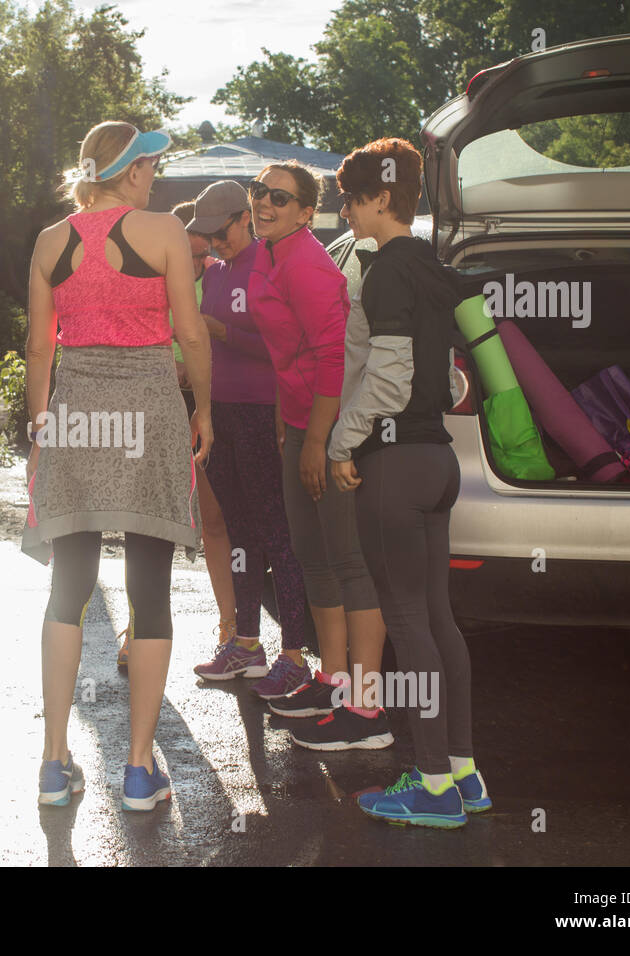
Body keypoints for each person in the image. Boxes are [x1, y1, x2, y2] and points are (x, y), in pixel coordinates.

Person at [24, 121, 213, 811]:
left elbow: (40, 347)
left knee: (67, 587)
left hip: (74, 412)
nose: (156, 176)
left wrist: (40, 427)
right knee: (150, 589)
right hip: (149, 410)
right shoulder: (162, 230)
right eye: (151, 165)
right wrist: (207, 408)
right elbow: (190, 331)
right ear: (129, 172)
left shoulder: (52, 241)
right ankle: (138, 769)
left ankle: (52, 763)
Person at [328, 138, 489, 827]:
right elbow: (443, 375)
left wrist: (342, 440)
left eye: (352, 197)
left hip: (394, 467)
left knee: (407, 625)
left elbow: (389, 377)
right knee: (438, 621)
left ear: (381, 199)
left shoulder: (388, 270)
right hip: (439, 462)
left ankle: (428, 786)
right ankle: (462, 772)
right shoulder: (435, 268)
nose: (346, 209)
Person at [245, 160, 392, 751]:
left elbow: (334, 356)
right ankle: (332, 681)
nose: (264, 204)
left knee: (349, 559)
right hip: (300, 419)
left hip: (334, 426)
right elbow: (287, 355)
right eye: (259, 192)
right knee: (312, 554)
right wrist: (289, 422)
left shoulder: (306, 262)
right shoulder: (267, 252)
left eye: (279, 198)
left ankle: (367, 707)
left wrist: (317, 441)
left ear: (308, 212)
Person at [184, 181, 314, 698]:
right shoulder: (215, 272)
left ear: (244, 219)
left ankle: (296, 654)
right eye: (207, 238)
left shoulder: (272, 261)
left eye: (222, 234)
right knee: (240, 534)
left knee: (277, 533)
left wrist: (222, 333)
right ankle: (245, 644)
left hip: (265, 413)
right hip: (222, 415)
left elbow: (291, 346)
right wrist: (203, 408)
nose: (215, 245)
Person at [117, 200, 232, 671]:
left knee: (214, 521)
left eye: (205, 255)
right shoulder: (146, 276)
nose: (199, 263)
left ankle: (231, 630)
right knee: (145, 522)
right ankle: (138, 625)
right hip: (154, 402)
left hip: (209, 405)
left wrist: (198, 374)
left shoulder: (223, 278)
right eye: (191, 254)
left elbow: (234, 338)